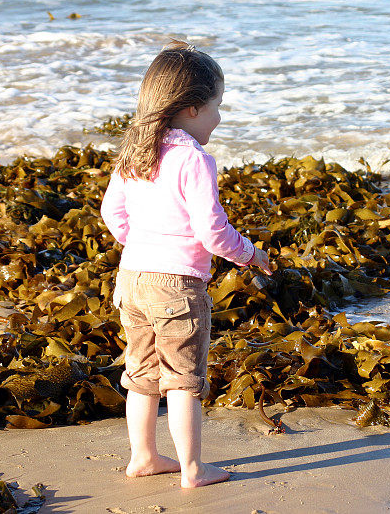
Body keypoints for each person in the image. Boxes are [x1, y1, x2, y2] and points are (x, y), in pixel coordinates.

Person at [100, 40, 272, 488]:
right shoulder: (192, 159)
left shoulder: (134, 153)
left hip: (133, 278)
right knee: (182, 380)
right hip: (175, 284)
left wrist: (140, 244)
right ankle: (192, 469)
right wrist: (251, 254)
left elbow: (112, 215)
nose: (220, 117)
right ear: (192, 108)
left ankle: (143, 457)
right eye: (218, 106)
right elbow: (212, 232)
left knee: (140, 374)